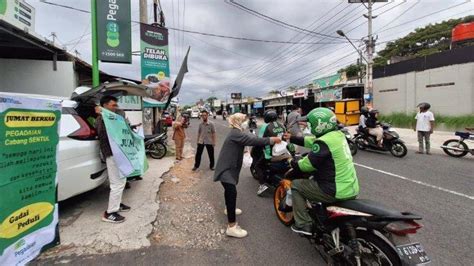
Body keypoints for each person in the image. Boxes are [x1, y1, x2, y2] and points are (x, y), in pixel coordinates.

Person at [283, 108, 359, 235]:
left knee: (296, 185)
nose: (308, 125)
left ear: (319, 125)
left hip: (334, 190)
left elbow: (306, 166)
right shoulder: (337, 135)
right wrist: (292, 137)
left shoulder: (324, 142)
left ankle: (303, 224)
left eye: (310, 123)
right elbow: (313, 141)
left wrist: (292, 161)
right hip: (351, 187)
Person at [213, 113, 281, 238]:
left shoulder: (236, 132)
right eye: (244, 120)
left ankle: (229, 209)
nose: (246, 122)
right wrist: (272, 139)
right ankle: (232, 226)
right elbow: (253, 140)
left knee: (229, 192)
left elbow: (249, 136)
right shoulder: (236, 134)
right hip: (226, 170)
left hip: (227, 168)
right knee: (231, 193)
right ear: (238, 121)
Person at [95, 96, 131, 223]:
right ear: (104, 105)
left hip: (119, 154)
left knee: (121, 180)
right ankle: (110, 213)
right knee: (117, 183)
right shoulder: (102, 119)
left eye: (116, 105)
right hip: (112, 154)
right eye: (113, 105)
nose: (116, 108)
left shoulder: (113, 117)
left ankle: (118, 204)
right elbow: (103, 136)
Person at [255, 109, 286, 196]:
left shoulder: (266, 126)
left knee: (258, 166)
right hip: (283, 151)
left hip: (270, 153)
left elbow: (260, 140)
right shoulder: (281, 125)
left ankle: (262, 185)